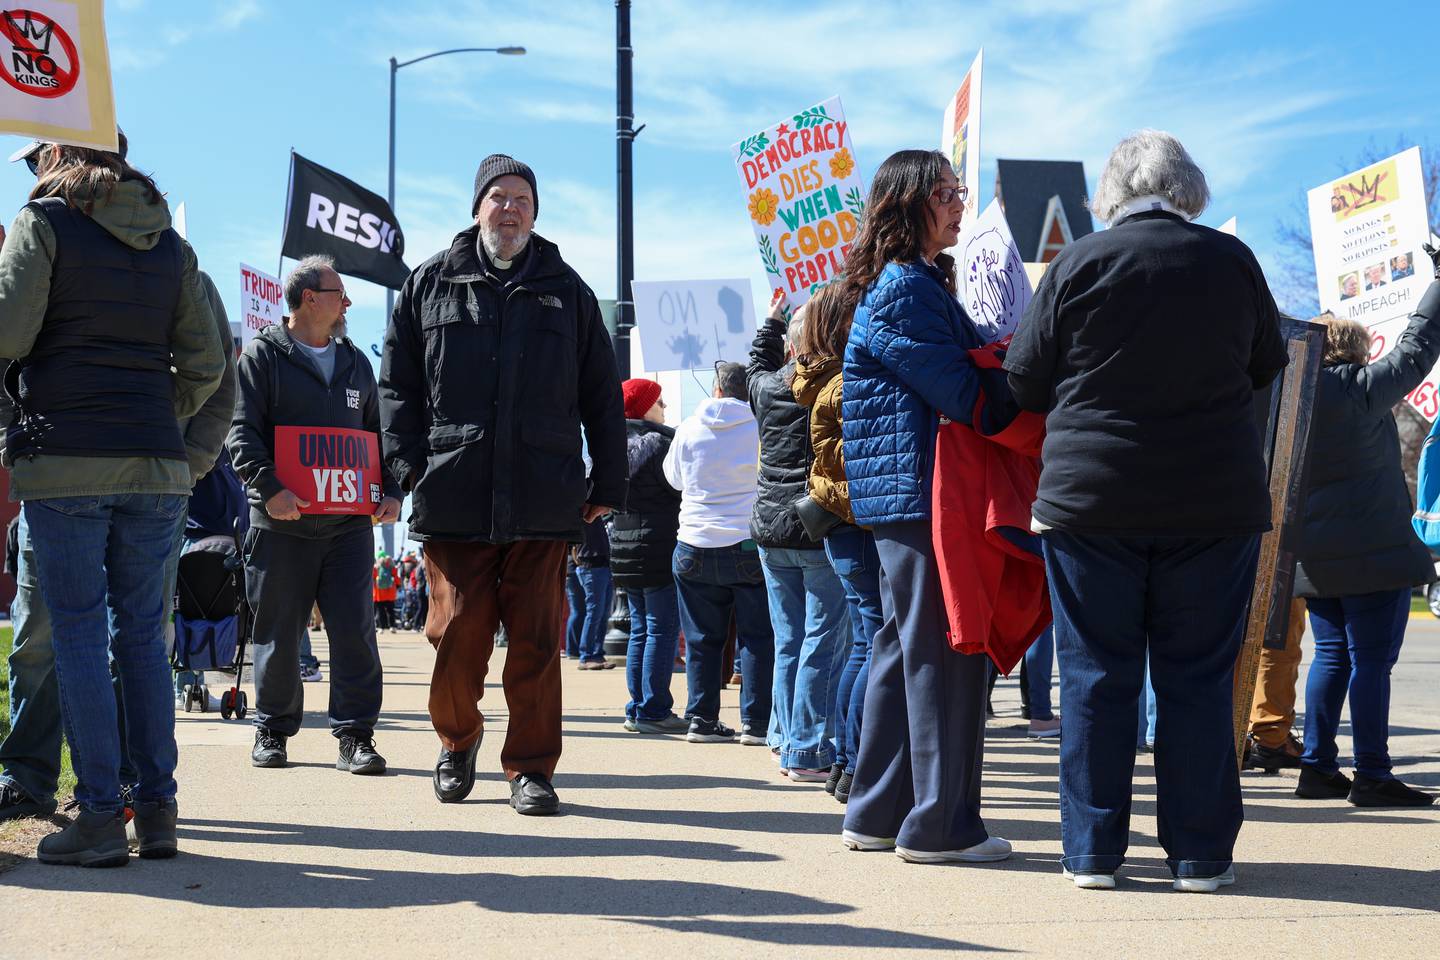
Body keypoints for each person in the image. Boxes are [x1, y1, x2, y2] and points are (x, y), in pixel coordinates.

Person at [1005, 130, 1288, 892]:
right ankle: (1200, 856)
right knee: (1196, 680)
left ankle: (1092, 851)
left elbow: (1023, 380)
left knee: (1096, 676)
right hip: (1213, 499)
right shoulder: (1231, 261)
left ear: (1111, 192)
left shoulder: (1076, 262)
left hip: (1091, 500)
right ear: (1187, 185)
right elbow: (1271, 363)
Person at [0, 133, 227, 865]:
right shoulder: (169, 243)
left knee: (76, 637)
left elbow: (8, 331)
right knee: (140, 639)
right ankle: (156, 810)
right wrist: (157, 410)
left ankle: (100, 815)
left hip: (67, 458)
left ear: (58, 154)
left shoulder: (43, 223)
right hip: (157, 464)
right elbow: (208, 360)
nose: (32, 171)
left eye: (38, 158)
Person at [380, 154, 626, 815]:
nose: (510, 208)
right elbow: (396, 387)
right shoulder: (429, 283)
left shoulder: (567, 290)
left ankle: (531, 769)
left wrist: (608, 478)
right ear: (476, 207)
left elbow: (602, 396)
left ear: (535, 212)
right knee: (456, 633)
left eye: (522, 199)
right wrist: (404, 467)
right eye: (498, 197)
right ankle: (457, 742)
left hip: (543, 496)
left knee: (539, 643)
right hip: (452, 489)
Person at [837, 149, 1009, 867]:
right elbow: (965, 394)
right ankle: (939, 826)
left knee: (905, 647)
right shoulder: (908, 288)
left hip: (907, 492)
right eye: (944, 191)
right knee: (941, 650)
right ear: (905, 202)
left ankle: (878, 813)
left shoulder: (911, 283)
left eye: (958, 189)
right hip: (921, 493)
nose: (958, 203)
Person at [229, 255, 401, 775]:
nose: (347, 303)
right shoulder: (262, 356)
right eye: (339, 293)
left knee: (355, 631)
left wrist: (391, 490)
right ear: (309, 298)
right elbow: (242, 435)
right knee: (278, 632)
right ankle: (273, 730)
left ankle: (356, 737)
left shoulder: (355, 362)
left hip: (348, 526)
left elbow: (380, 438)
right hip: (281, 524)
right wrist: (270, 489)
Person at [1291, 275, 1440, 808]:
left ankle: (1317, 768)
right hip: (1374, 554)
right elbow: (1418, 346)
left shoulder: (1295, 401)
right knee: (1372, 661)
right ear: (1357, 351)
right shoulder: (1360, 387)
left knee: (1330, 658)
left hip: (1316, 555)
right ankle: (1373, 774)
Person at [749, 290, 849, 784]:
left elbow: (754, 366)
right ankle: (806, 749)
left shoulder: (766, 387)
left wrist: (771, 321)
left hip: (770, 529)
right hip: (816, 526)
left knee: (789, 639)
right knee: (821, 641)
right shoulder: (833, 384)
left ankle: (783, 736)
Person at [790, 279, 880, 801]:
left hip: (843, 525)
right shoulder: (845, 382)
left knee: (861, 645)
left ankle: (846, 763)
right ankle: (851, 761)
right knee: (870, 645)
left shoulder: (820, 378)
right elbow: (854, 459)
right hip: (857, 522)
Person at [663, 362, 774, 744]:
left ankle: (701, 719)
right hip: (746, 540)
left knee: (701, 639)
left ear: (716, 389)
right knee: (757, 638)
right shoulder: (759, 424)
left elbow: (673, 478)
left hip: (694, 541)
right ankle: (756, 722)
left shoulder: (689, 427)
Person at [611, 378, 686, 729]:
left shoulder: (612, 444)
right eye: (659, 402)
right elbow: (677, 488)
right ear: (643, 407)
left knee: (640, 629)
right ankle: (654, 709)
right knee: (660, 628)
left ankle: (637, 706)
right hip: (656, 542)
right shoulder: (659, 443)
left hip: (623, 544)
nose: (664, 408)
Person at [565, 511, 615, 669]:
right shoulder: (582, 510)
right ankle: (586, 656)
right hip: (590, 566)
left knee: (602, 613)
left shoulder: (595, 512)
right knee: (594, 612)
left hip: (601, 565)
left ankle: (596, 653)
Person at [373, 550, 398, 630]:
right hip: (390, 593)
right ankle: (392, 626)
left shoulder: (376, 567)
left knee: (381, 611)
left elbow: (372, 578)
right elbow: (397, 579)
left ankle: (381, 627)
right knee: (391, 611)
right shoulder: (392, 567)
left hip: (379, 594)